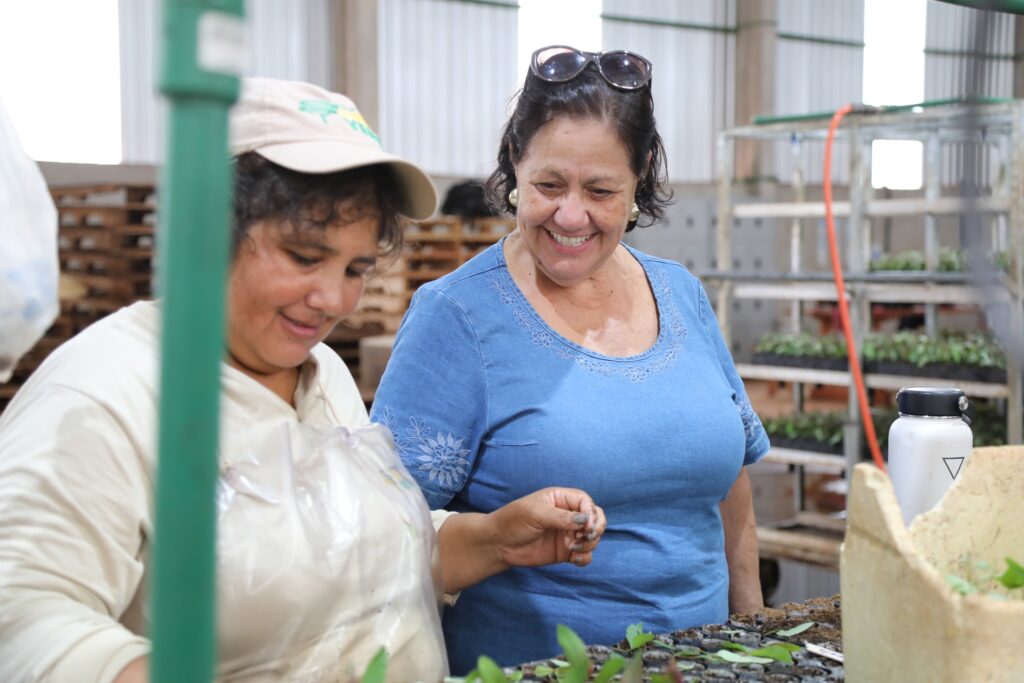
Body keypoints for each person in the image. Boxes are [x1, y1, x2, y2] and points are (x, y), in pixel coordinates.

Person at [0, 77, 606, 683]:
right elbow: (24, 616)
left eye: (355, 267)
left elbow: (353, 559)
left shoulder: (322, 375)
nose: (333, 299)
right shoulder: (107, 391)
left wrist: (497, 539)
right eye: (304, 256)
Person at [371, 46, 770, 672]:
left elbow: (731, 485)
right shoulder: (457, 316)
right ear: (513, 167)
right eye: (549, 185)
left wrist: (751, 634)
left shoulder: (681, 293)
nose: (572, 215)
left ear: (638, 179)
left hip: (706, 663)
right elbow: (387, 533)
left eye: (602, 190)